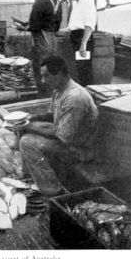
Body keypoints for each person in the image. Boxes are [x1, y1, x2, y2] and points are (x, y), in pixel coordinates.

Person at [19, 55, 98, 197]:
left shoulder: (75, 97)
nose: (43, 81)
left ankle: (54, 191)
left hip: (79, 149)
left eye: (46, 76)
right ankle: (33, 176)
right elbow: (52, 116)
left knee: (27, 142)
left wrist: (28, 127)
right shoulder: (59, 90)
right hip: (67, 137)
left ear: (60, 74)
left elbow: (61, 135)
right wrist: (31, 118)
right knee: (28, 127)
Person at [16, 0, 62, 95]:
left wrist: (23, 27)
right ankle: (54, 93)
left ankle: (43, 95)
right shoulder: (57, 0)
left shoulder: (41, 1)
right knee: (52, 66)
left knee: (40, 67)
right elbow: (55, 23)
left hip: (41, 40)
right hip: (52, 38)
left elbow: (35, 25)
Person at [63, 0, 97, 86]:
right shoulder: (76, 4)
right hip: (76, 37)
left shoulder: (87, 3)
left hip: (83, 38)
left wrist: (83, 44)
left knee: (84, 68)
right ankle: (84, 90)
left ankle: (88, 92)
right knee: (80, 67)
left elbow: (89, 25)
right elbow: (73, 25)